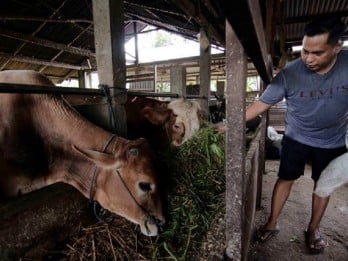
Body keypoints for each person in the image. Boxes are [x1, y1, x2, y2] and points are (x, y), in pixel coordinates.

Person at [247, 16, 348, 254]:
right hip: (296, 137)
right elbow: (261, 104)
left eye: (317, 53)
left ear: (337, 48)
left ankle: (313, 229)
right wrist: (226, 124)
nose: (308, 59)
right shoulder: (290, 73)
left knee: (323, 186)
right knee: (285, 178)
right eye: (304, 51)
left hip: (333, 139)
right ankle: (273, 222)